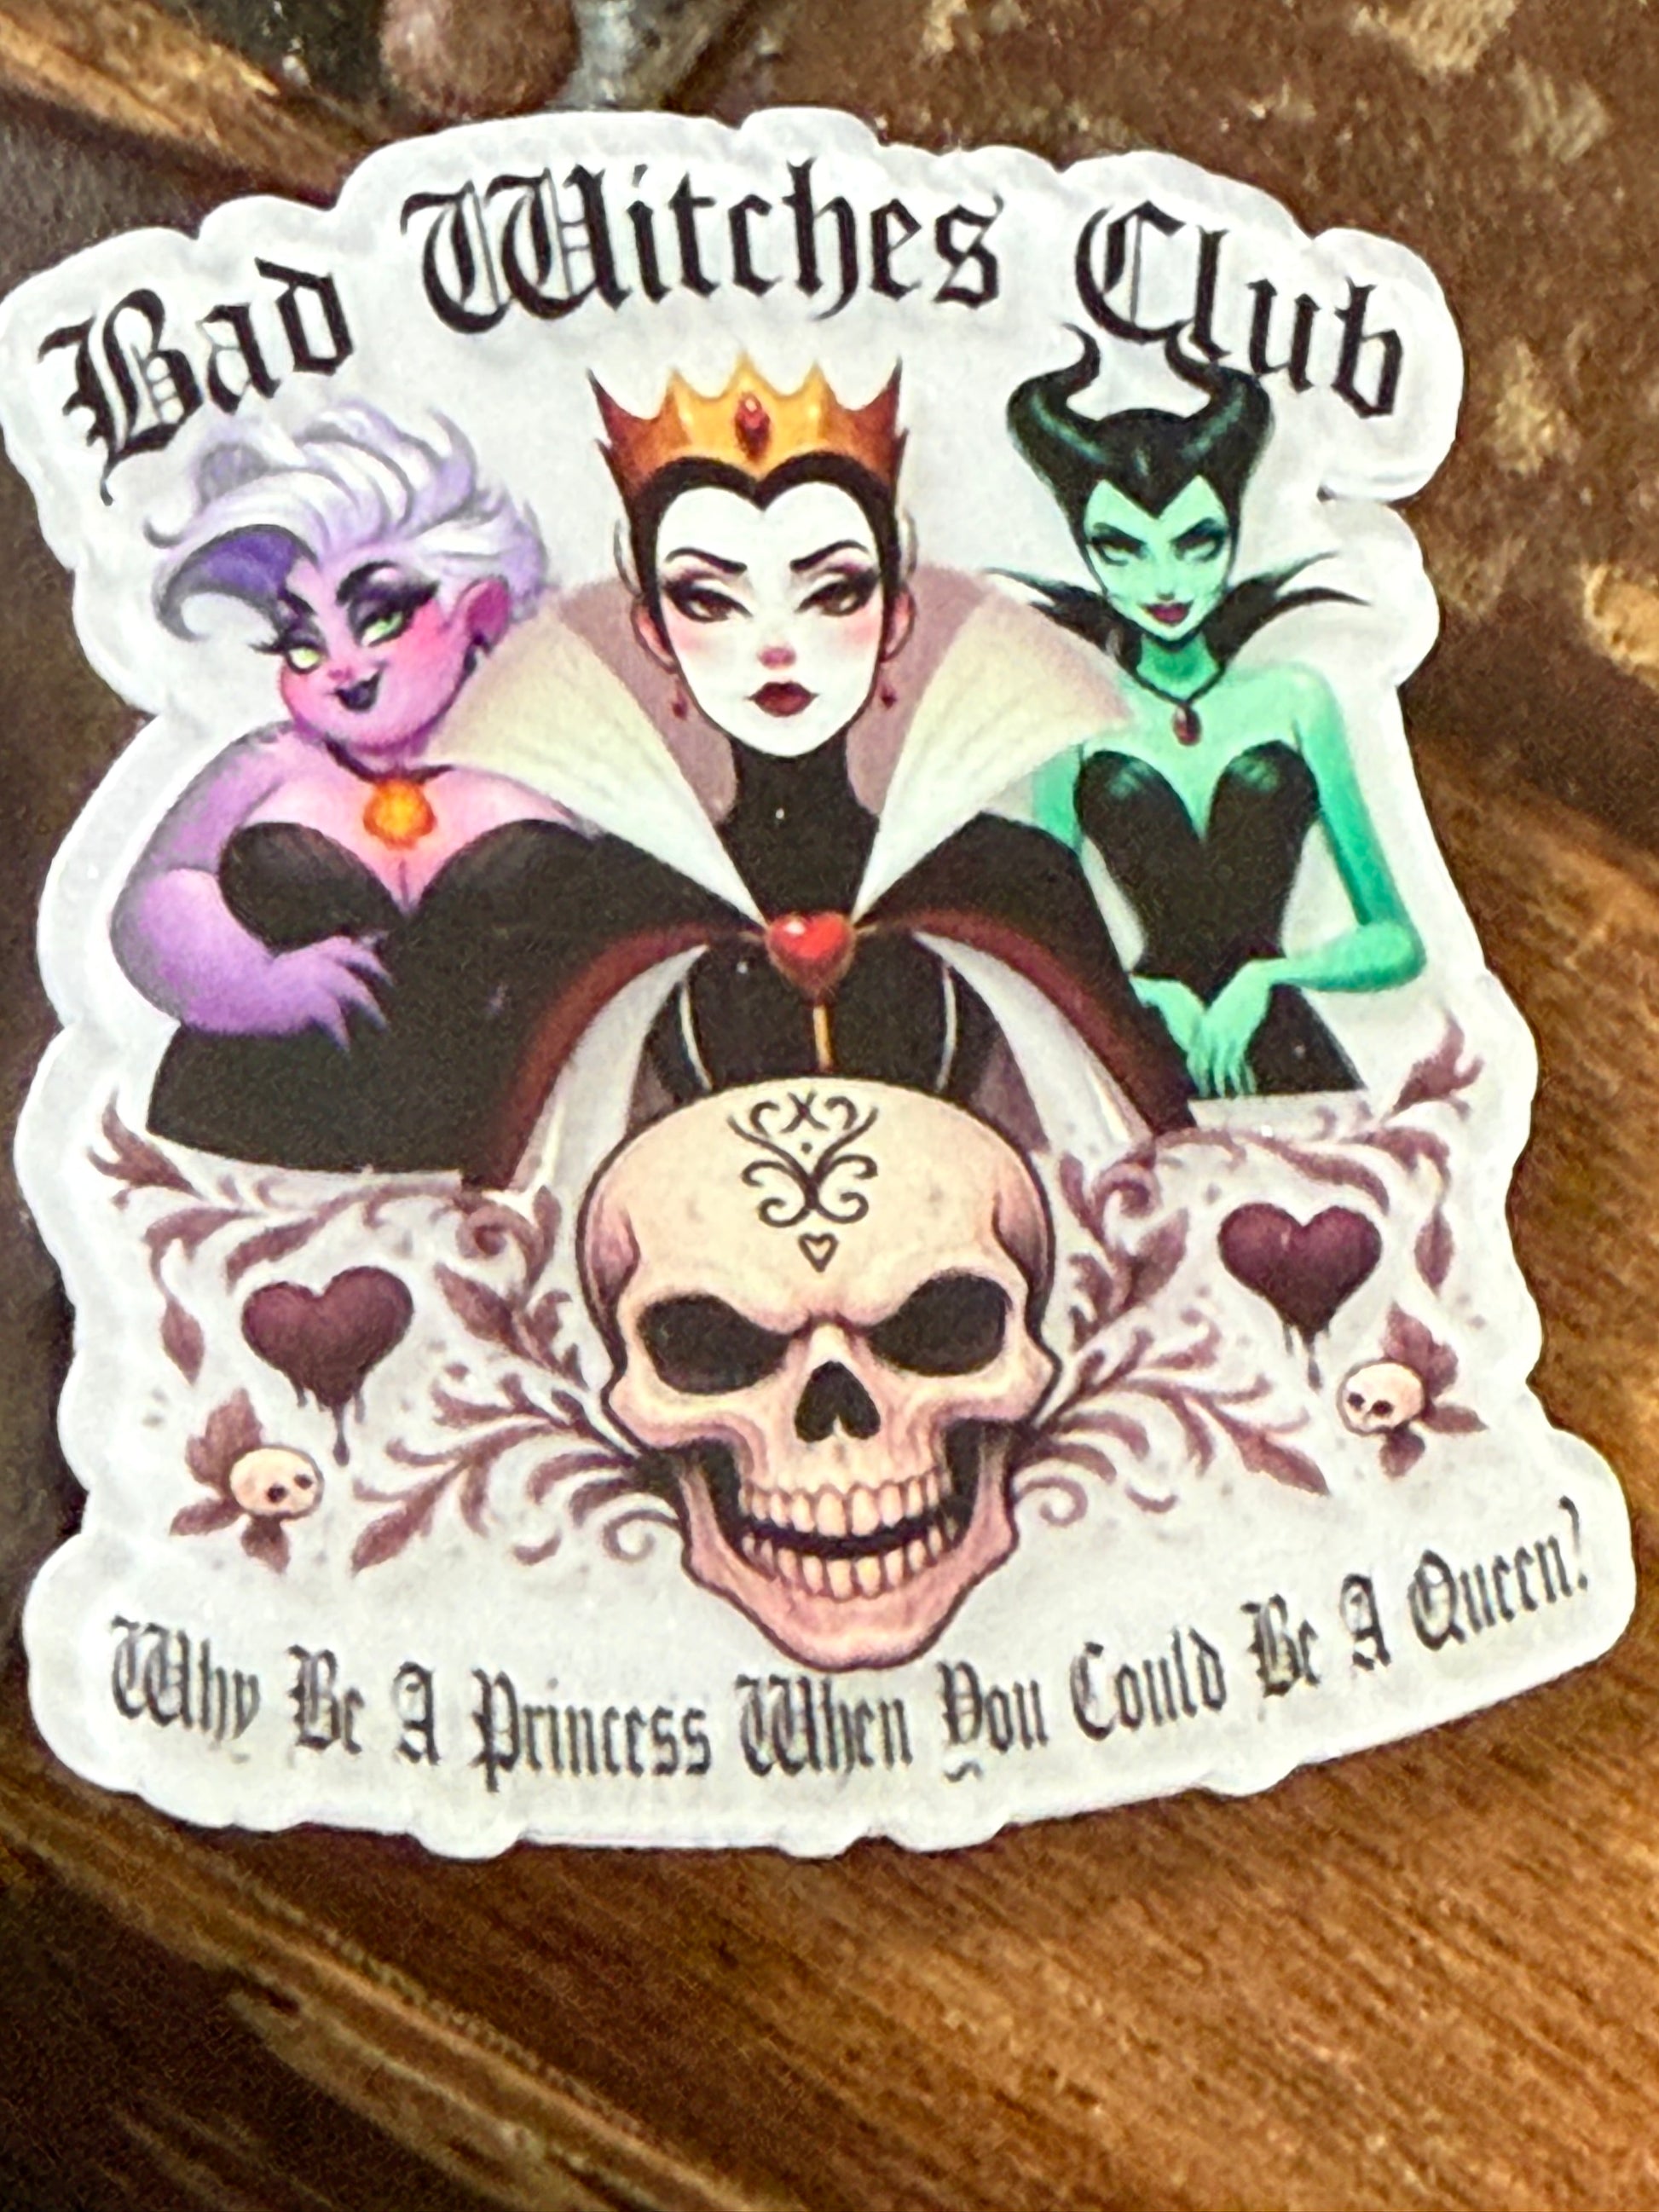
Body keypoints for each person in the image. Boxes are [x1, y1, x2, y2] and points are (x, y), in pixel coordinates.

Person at [113, 401, 598, 1172]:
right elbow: (155, 898)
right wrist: (257, 983)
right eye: (303, 645)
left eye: (377, 620)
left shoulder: (547, 750)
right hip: (254, 1148)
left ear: (480, 611)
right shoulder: (269, 762)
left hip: (523, 1156)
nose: (340, 665)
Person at [1007, 332, 1424, 1098]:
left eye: (1197, 544)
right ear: (1085, 551)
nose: (1165, 581)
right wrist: (1144, 994)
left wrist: (1269, 977)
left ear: (1234, 536)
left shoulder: (1295, 698)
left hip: (1288, 1051)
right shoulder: (1073, 714)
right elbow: (1038, 941)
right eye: (1123, 550)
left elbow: (1396, 940)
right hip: (1144, 1053)